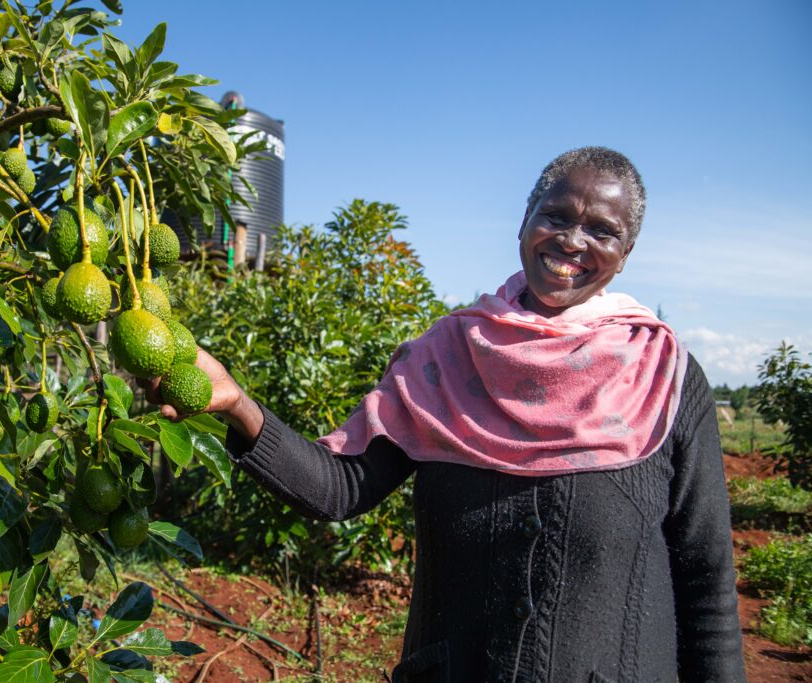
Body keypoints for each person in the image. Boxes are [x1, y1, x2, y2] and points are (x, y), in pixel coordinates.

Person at [145, 147, 746, 682]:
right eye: (557, 216)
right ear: (525, 221)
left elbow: (706, 580)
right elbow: (341, 486)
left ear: (625, 252)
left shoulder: (662, 375)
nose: (572, 240)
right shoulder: (447, 356)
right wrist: (236, 403)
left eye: (602, 230)